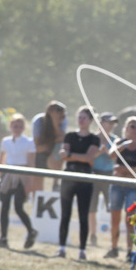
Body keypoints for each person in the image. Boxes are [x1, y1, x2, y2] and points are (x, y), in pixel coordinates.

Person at [56, 106, 101, 259]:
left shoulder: (94, 138)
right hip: (69, 176)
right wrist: (75, 155)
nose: (81, 120)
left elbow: (89, 158)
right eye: (79, 117)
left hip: (84, 178)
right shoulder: (70, 135)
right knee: (65, 214)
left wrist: (70, 154)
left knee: (83, 215)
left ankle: (82, 250)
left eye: (84, 118)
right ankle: (61, 247)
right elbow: (62, 154)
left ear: (90, 120)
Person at [106, 116, 136, 260]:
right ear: (126, 128)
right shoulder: (119, 143)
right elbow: (111, 155)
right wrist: (125, 145)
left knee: (130, 220)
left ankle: (130, 251)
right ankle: (114, 248)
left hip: (132, 187)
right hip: (117, 185)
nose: (135, 130)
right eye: (132, 126)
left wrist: (123, 169)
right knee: (115, 218)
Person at [0, 114, 38, 249]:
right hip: (8, 175)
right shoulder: (6, 141)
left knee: (19, 207)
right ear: (11, 126)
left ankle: (31, 231)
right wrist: (0, 176)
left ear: (24, 128)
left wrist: (30, 183)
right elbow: (2, 159)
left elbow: (32, 164)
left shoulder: (28, 142)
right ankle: (3, 237)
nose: (17, 129)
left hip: (21, 176)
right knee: (4, 207)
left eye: (20, 126)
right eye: (15, 126)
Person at [88, 112, 118, 247]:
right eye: (108, 122)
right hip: (94, 173)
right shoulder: (93, 138)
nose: (111, 125)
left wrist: (108, 152)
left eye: (112, 123)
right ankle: (92, 234)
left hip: (109, 174)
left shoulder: (116, 140)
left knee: (111, 207)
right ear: (101, 123)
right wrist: (100, 152)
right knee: (91, 207)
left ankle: (113, 236)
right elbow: (89, 156)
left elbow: (117, 159)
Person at [30, 101, 67, 190]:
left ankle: (55, 184)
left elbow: (62, 138)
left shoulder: (64, 119)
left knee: (60, 147)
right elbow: (37, 147)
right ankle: (39, 201)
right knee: (38, 179)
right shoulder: (38, 121)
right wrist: (51, 142)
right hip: (40, 153)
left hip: (53, 152)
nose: (58, 114)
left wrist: (55, 122)